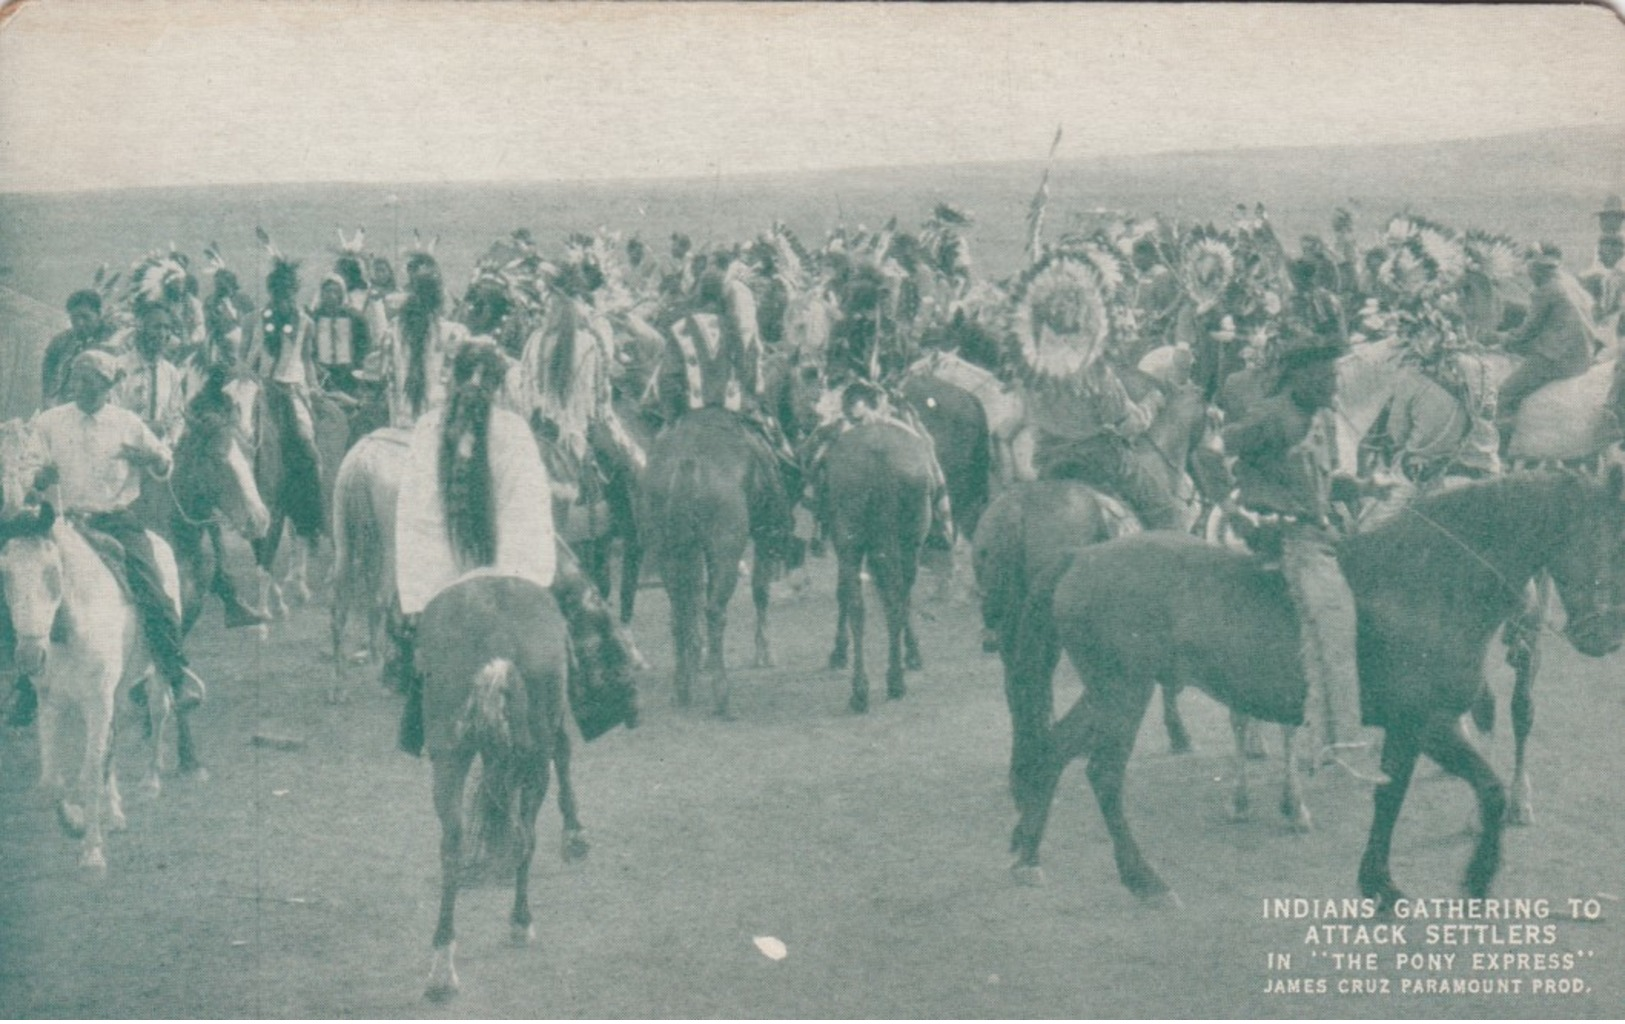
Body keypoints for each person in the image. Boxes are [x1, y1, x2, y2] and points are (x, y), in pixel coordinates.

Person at [392, 342, 638, 755]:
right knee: (586, 607)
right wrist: (516, 569)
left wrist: (428, 579)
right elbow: (527, 506)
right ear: (499, 384)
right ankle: (608, 699)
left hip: (440, 563)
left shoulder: (426, 428)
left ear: (452, 381)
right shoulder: (512, 427)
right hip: (517, 558)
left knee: (403, 629)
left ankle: (413, 708)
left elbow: (416, 510)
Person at [1221, 336, 1388, 785]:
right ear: (1303, 375)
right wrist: (1240, 506)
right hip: (1289, 538)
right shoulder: (1275, 416)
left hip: (1321, 528)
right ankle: (1341, 743)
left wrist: (1366, 488)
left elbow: (1321, 483)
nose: (1335, 383)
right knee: (1335, 619)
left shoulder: (1316, 416)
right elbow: (1216, 448)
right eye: (1328, 375)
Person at [9, 350, 208, 726]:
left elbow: (165, 461)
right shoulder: (51, 422)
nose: (82, 387)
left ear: (107, 385)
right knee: (23, 580)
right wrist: (38, 477)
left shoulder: (126, 423)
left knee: (153, 586)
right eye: (78, 379)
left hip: (115, 521)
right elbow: (29, 465)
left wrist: (150, 459)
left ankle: (174, 672)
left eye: (91, 381)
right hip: (62, 524)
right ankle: (26, 682)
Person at [656, 269, 802, 557]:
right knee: (779, 461)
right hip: (731, 415)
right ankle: (778, 527)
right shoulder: (737, 328)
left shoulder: (678, 328)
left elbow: (668, 381)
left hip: (688, 415)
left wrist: (673, 418)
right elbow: (752, 381)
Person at [245, 256, 326, 544]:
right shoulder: (260, 320)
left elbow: (307, 361)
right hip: (265, 390)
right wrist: (252, 382)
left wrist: (314, 388)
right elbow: (251, 357)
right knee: (245, 440)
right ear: (273, 293)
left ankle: (311, 517)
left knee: (308, 446)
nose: (284, 301)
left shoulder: (305, 323)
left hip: (293, 391)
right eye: (280, 294)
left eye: (290, 294)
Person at [1495, 246, 1597, 439]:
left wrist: (1503, 341)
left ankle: (1501, 446)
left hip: (1558, 357)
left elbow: (1527, 330)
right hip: (1584, 352)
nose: (1529, 275)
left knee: (1506, 392)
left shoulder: (1546, 290)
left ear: (1536, 269)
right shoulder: (1569, 281)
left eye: (1530, 270)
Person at [114, 304, 189, 447]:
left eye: (167, 328)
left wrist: (171, 442)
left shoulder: (171, 372)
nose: (162, 333)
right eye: (156, 327)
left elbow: (177, 416)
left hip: (161, 452)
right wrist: (144, 428)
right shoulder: (120, 366)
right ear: (141, 329)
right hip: (126, 447)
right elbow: (113, 412)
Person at [40, 290, 117, 406]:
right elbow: (48, 367)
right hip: (65, 406)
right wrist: (48, 397)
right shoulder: (62, 340)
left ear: (99, 314)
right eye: (74, 318)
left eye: (85, 317)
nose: (79, 323)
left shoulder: (114, 341)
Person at [310, 273, 372, 397]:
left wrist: (357, 367)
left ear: (342, 293)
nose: (332, 295)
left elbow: (364, 345)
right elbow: (309, 346)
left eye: (336, 291)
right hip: (322, 374)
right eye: (328, 291)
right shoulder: (314, 318)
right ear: (321, 293)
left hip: (348, 375)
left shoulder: (355, 317)